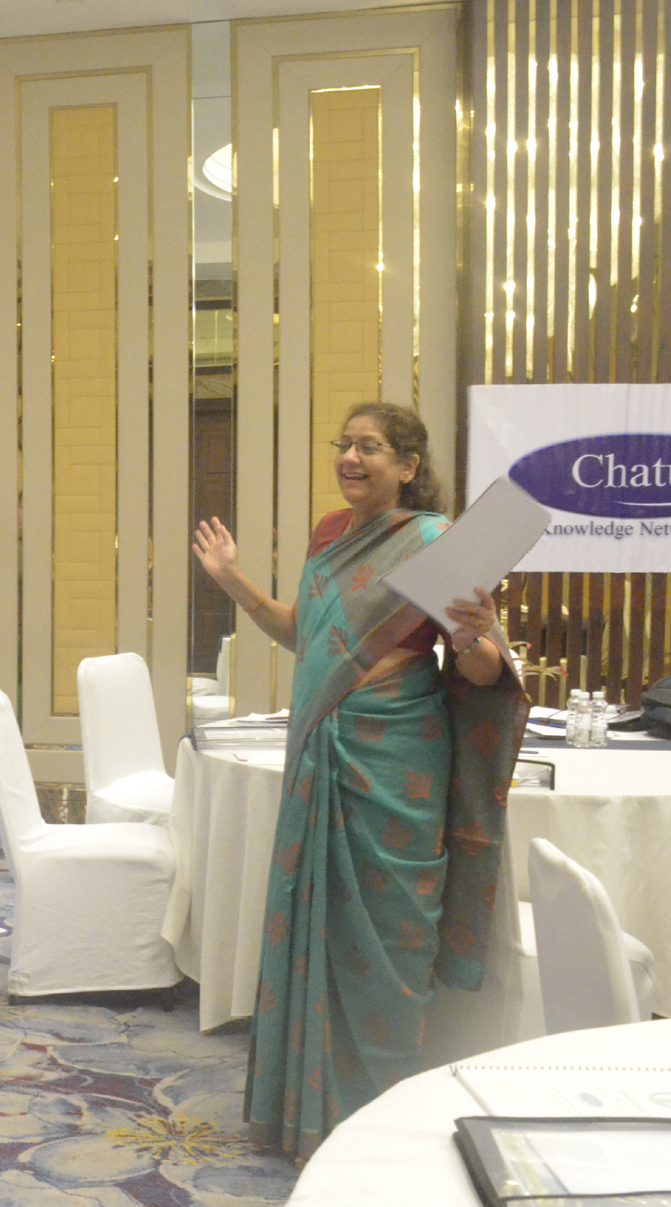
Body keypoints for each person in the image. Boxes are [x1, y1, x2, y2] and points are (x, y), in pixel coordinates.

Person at [192, 401, 527, 1158]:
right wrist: (232, 580)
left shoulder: (436, 540)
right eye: (344, 444)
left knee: (391, 934)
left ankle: (378, 1121)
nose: (350, 457)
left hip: (396, 758)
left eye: (369, 447)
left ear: (407, 466)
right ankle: (304, 1111)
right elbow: (303, 633)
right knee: (314, 923)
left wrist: (473, 634)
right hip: (323, 744)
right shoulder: (329, 535)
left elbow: (482, 671)